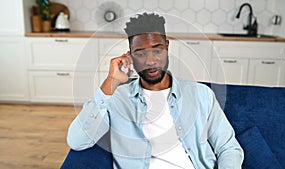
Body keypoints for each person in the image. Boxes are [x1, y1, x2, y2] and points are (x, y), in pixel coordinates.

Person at [67, 12, 244, 169]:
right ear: (130, 55)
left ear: (167, 46)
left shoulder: (201, 94)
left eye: (157, 51)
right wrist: (110, 83)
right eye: (141, 53)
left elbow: (228, 147)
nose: (150, 61)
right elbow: (77, 141)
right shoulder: (115, 98)